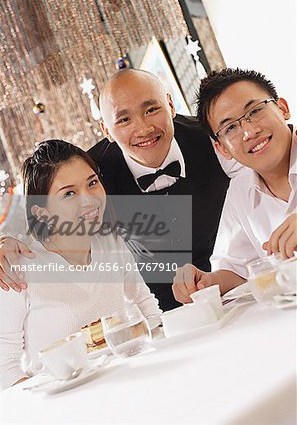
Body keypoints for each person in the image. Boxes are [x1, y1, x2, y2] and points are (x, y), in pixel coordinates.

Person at [0, 69, 236, 311]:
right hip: (155, 313)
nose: (143, 129)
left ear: (170, 105)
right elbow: (49, 228)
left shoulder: (215, 137)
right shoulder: (90, 176)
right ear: (106, 130)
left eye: (151, 110)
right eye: (124, 119)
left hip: (232, 288)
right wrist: (8, 244)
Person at [0, 140, 161, 390]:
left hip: (132, 384)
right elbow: (5, 364)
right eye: (69, 193)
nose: (89, 200)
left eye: (92, 182)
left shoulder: (112, 243)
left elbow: (147, 309)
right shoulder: (17, 266)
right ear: (41, 212)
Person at [172, 68, 297, 304]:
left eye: (255, 111)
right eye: (230, 128)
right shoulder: (240, 191)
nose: (249, 132)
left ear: (282, 108)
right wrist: (205, 282)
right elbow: (237, 269)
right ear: (222, 148)